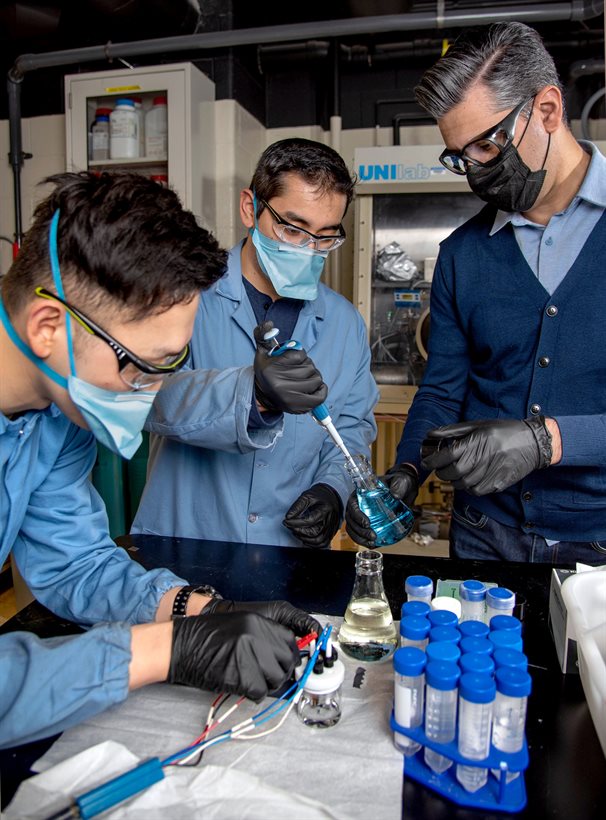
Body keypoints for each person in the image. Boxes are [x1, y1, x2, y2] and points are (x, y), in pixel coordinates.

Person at [0, 172, 319, 749]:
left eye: (169, 367)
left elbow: (75, 567)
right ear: (50, 327)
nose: (151, 392)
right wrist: (164, 651)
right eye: (141, 366)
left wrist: (199, 610)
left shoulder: (55, 412)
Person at [346, 22, 606, 564]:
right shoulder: (463, 255)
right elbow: (441, 390)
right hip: (483, 535)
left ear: (549, 110)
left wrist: (547, 440)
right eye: (459, 155)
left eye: (487, 144)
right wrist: (409, 470)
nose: (476, 173)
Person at [132, 138, 379, 548]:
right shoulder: (184, 294)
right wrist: (252, 395)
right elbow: (146, 396)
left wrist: (333, 490)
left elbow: (350, 430)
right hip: (186, 542)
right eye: (292, 228)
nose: (307, 249)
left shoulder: (344, 324)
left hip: (284, 551)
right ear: (251, 208)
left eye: (325, 237)